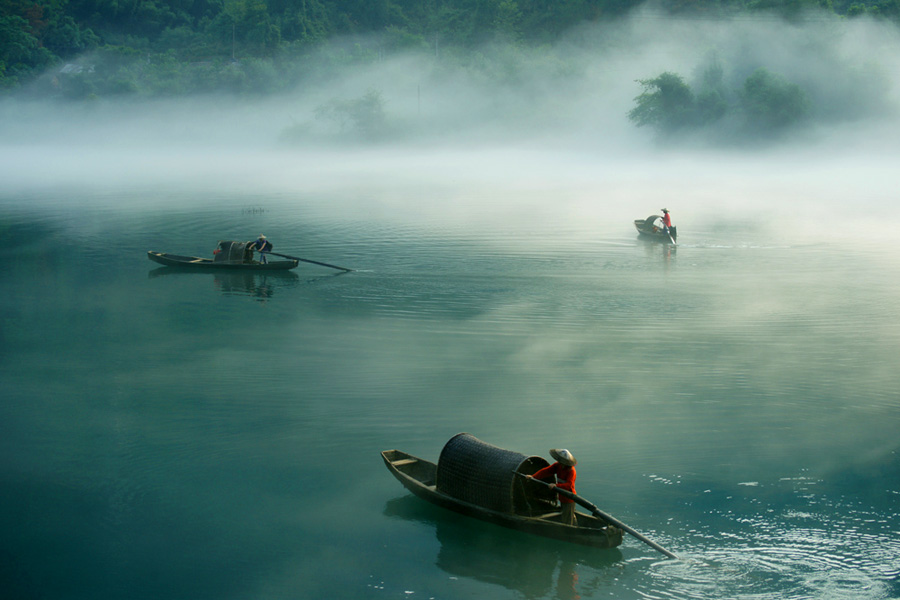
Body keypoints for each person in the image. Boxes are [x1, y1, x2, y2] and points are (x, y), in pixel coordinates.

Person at [528, 448, 578, 526]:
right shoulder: (557, 466)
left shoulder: (571, 471)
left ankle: (569, 533)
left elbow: (569, 485)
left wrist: (556, 486)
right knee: (568, 514)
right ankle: (576, 527)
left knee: (567, 518)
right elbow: (546, 471)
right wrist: (533, 476)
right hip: (562, 496)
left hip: (569, 498)